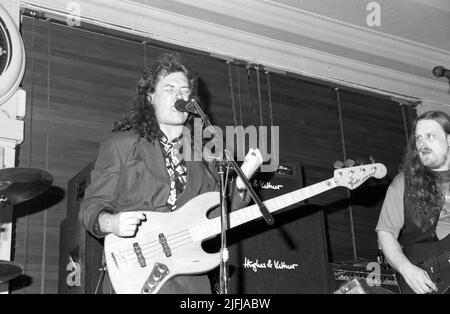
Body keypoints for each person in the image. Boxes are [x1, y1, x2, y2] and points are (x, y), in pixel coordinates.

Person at [79, 52, 254, 294]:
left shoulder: (205, 153)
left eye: (184, 91)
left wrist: (242, 185)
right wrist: (112, 222)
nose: (179, 96)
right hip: (137, 272)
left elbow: (221, 215)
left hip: (191, 277)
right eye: (169, 89)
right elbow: (91, 207)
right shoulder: (122, 145)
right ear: (150, 97)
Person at [376, 110, 450, 294]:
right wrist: (407, 270)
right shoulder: (403, 183)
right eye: (418, 139)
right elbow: (386, 233)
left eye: (430, 136)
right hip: (425, 279)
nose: (422, 144)